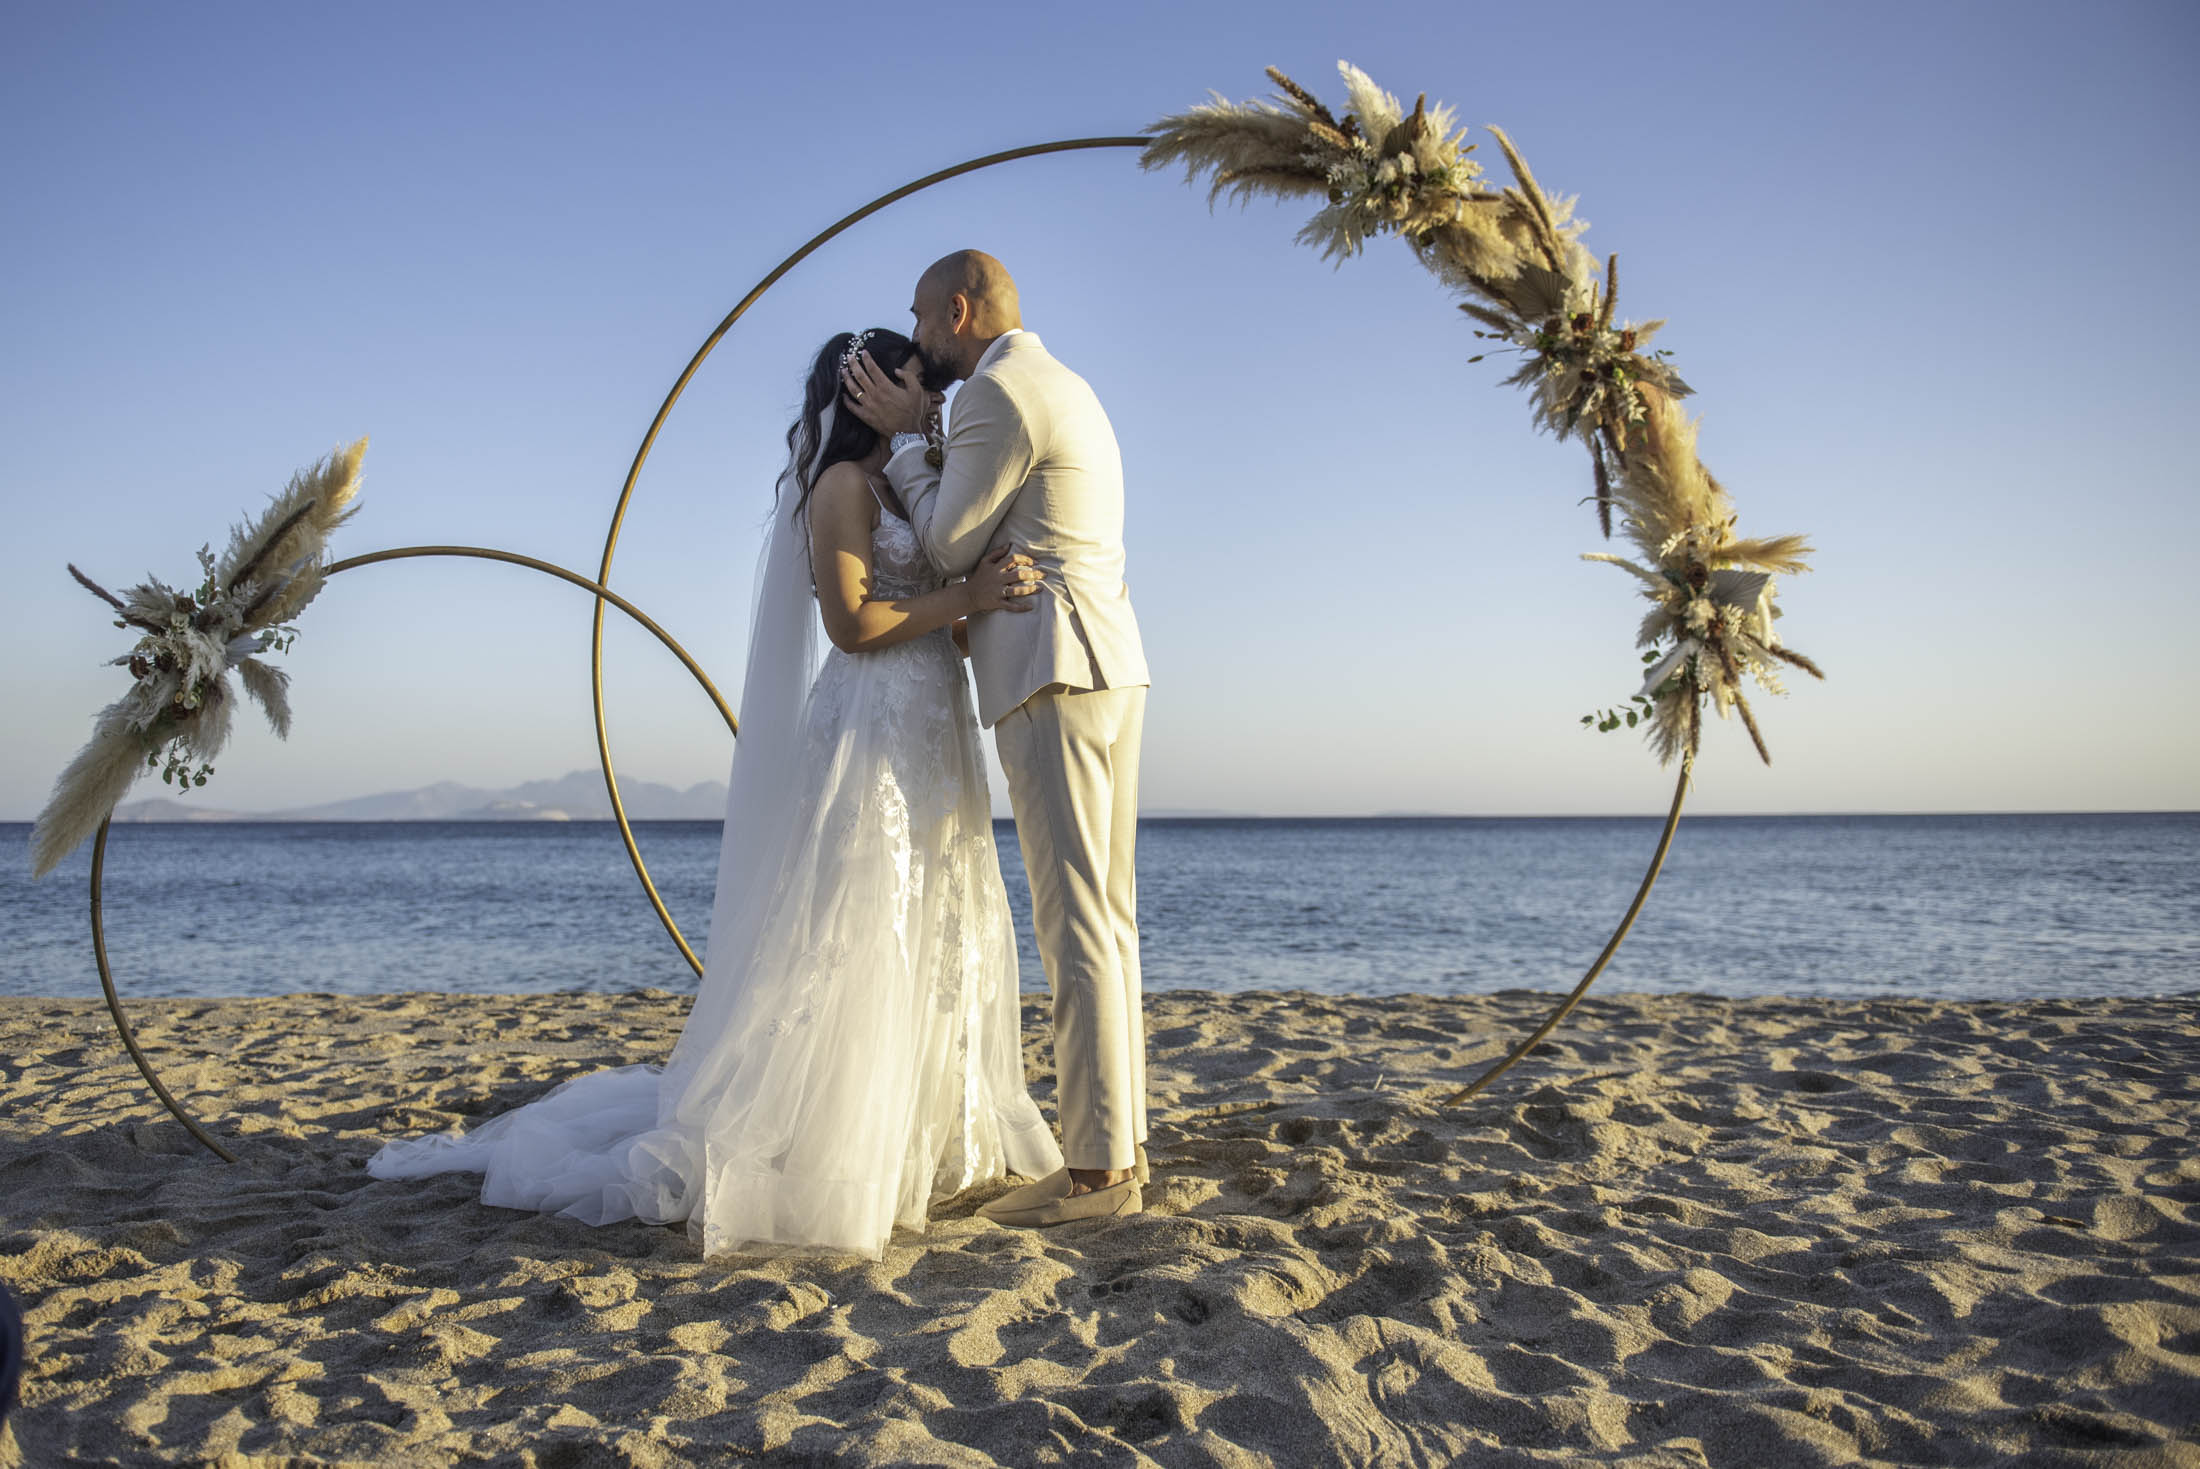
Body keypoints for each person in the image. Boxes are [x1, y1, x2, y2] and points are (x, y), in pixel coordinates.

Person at [366, 329, 1065, 1259]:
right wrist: (968, 597)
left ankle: (930, 1132)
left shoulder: (912, 483)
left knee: (940, 913)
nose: (930, 402)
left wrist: (977, 601)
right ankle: (835, 1143)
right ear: (866, 390)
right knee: (865, 919)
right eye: (914, 383)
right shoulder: (842, 489)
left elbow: (942, 600)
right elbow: (854, 625)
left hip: (933, 724)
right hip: (870, 723)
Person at [843, 250, 1152, 1227]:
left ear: (960, 309)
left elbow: (946, 543)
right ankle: (1123, 1147)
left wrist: (902, 443)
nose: (921, 340)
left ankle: (1097, 1174)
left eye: (924, 320)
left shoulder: (994, 396)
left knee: (1074, 923)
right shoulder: (1069, 383)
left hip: (1049, 670)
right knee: (1110, 919)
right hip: (1111, 664)